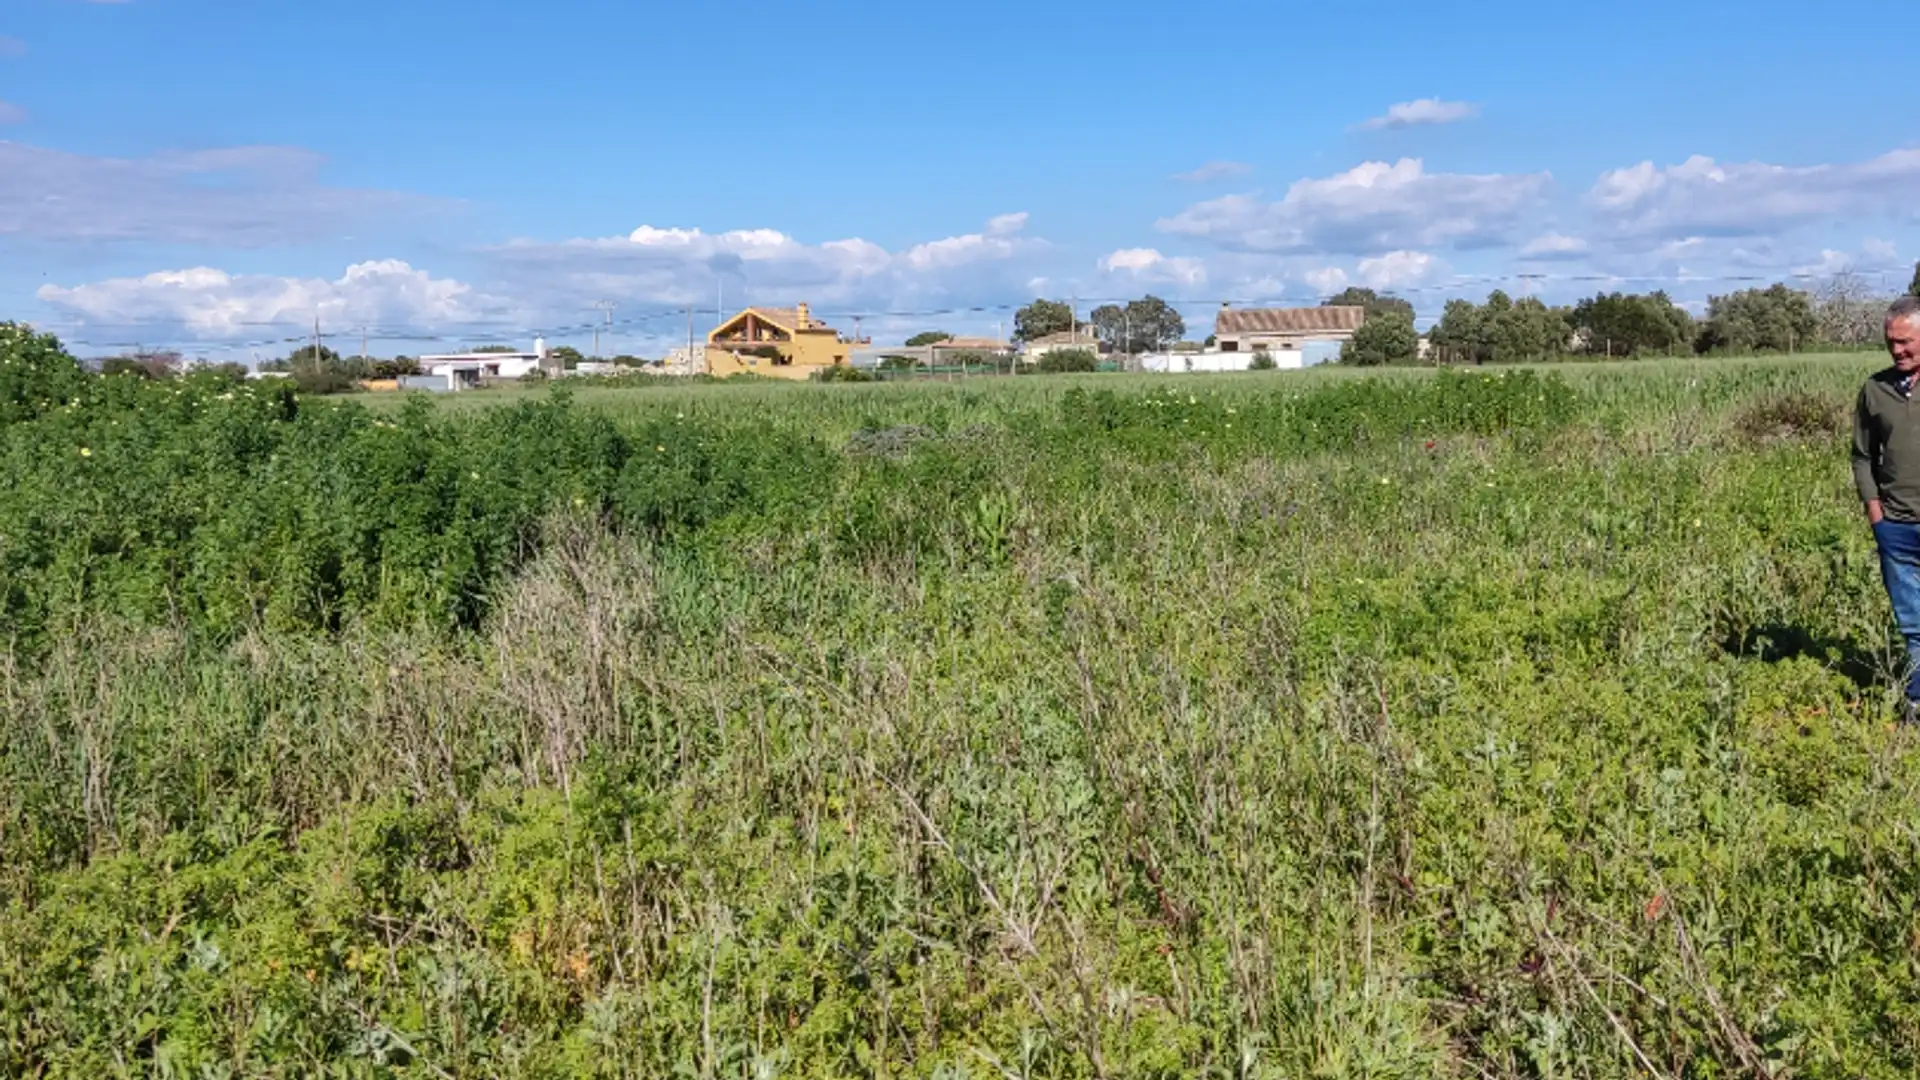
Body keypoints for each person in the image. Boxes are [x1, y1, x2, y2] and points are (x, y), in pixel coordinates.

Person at [1854, 295, 1920, 721]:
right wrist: (1876, 515)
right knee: (1914, 624)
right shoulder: (1874, 391)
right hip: (1896, 527)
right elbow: (1862, 456)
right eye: (1890, 342)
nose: (1897, 350)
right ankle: (1917, 702)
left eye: (1905, 342)